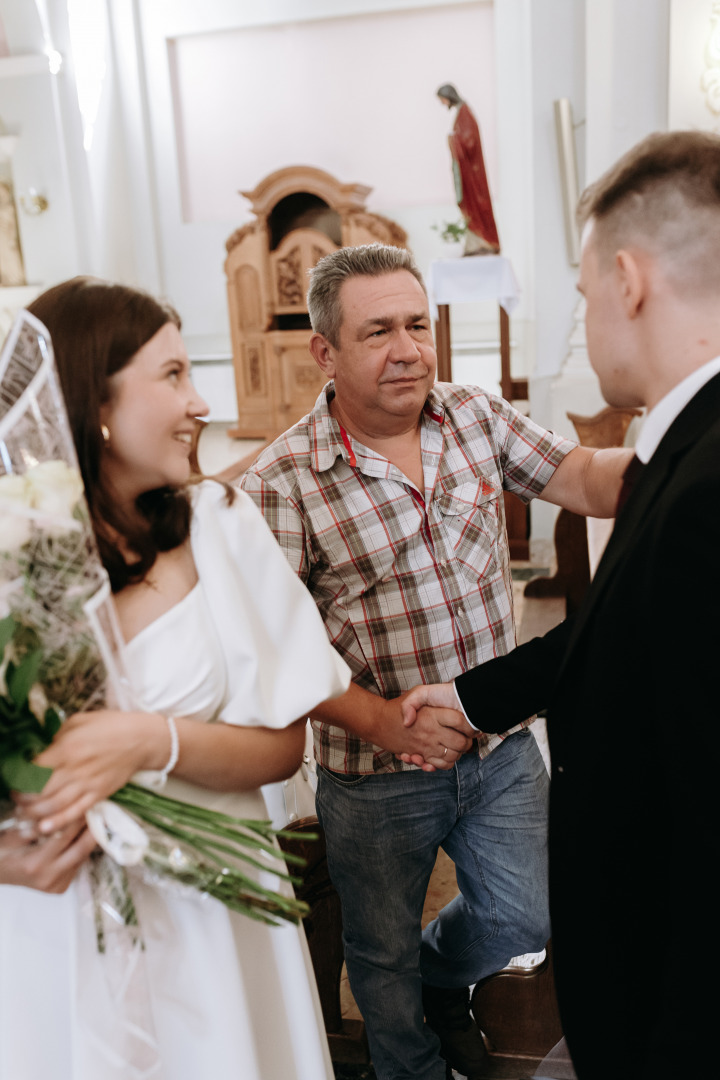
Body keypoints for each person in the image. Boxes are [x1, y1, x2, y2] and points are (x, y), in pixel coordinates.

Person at [239, 243, 632, 1080]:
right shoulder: (282, 482)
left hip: (498, 746)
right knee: (378, 959)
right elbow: (279, 650)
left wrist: (680, 451)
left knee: (526, 917)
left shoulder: (475, 416)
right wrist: (384, 721)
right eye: (377, 331)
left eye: (417, 324)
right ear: (326, 352)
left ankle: (441, 980)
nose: (409, 348)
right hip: (375, 769)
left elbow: (588, 478)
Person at [401, 130, 719, 1079]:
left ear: (627, 281)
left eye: (582, 296)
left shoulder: (705, 489)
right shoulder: (686, 449)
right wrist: (470, 696)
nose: (588, 317)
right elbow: (631, 631)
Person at [0, 276, 350, 1080]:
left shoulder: (219, 527)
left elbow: (278, 749)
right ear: (94, 403)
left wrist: (147, 741)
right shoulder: (14, 555)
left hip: (209, 919)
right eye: (172, 375)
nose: (201, 403)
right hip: (45, 928)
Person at [437, 83, 500, 255]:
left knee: (477, 205)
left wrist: (452, 139)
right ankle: (476, 242)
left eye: (442, 100)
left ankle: (484, 241)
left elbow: (470, 141)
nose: (443, 104)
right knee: (469, 206)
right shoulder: (461, 112)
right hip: (468, 173)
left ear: (448, 96)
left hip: (473, 174)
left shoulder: (465, 113)